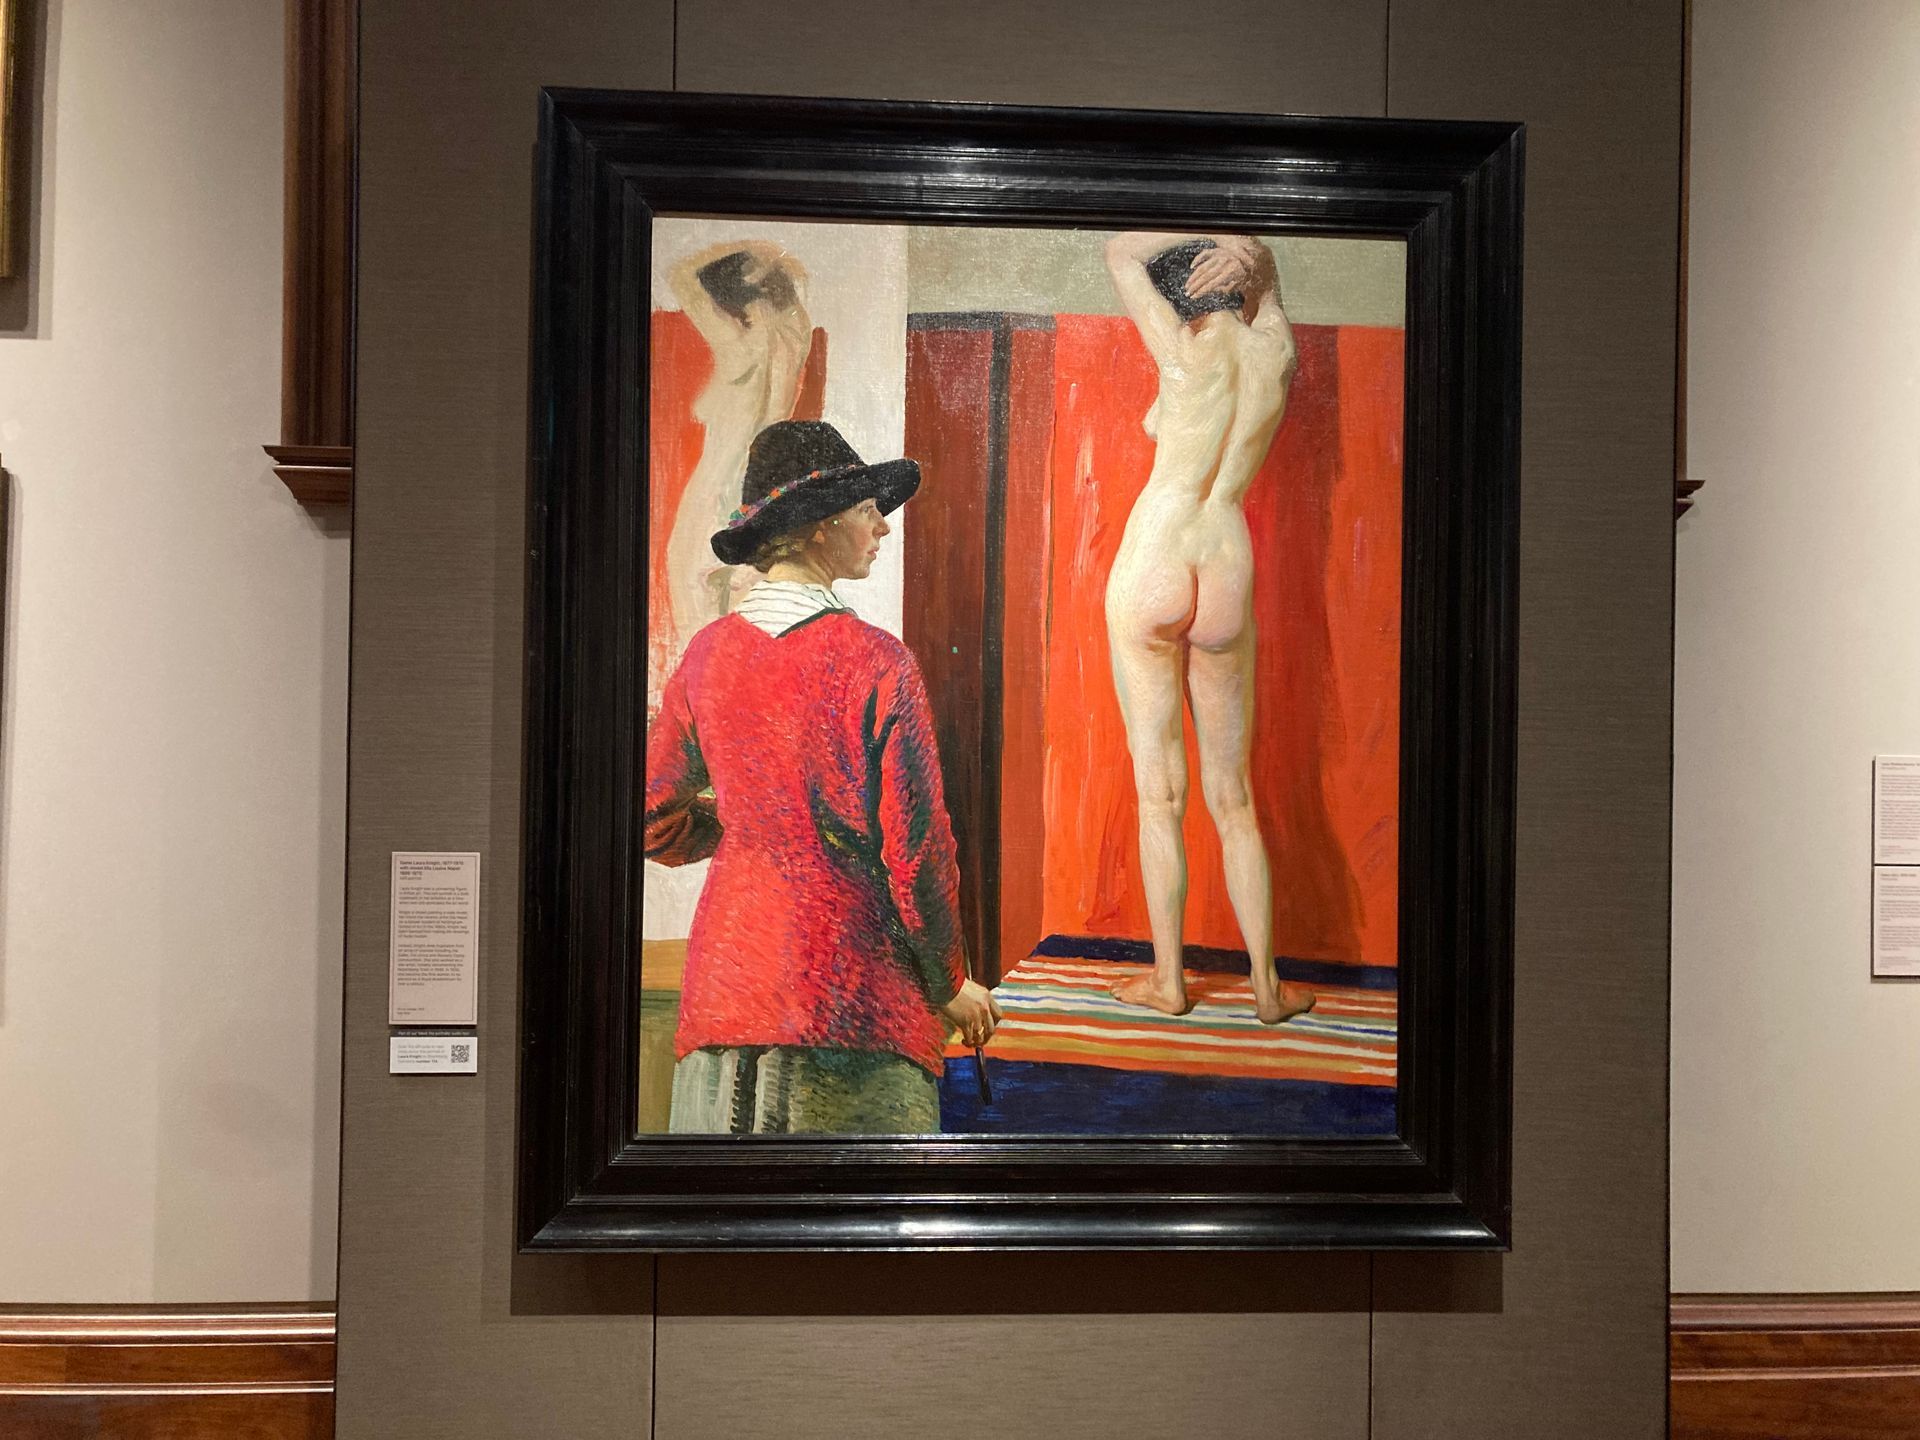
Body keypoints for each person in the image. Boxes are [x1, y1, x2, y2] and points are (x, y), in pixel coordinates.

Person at [645, 419, 1001, 1134]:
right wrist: (949, 985)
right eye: (869, 509)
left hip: (726, 997)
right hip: (854, 1009)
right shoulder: (878, 661)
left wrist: (756, 821)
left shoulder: (708, 655)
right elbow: (917, 856)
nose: (883, 527)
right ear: (817, 526)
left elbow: (649, 818)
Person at [1101, 231, 1316, 1026]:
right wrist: (1249, 254)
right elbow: (1270, 291)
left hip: (1156, 554)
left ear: (1179, 295)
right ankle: (1266, 988)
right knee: (1235, 797)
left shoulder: (1182, 350)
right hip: (1227, 557)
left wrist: (1218, 247)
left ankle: (1170, 982)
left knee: (1159, 795)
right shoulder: (1274, 354)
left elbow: (1119, 253)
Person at [658, 241, 816, 707]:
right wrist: (775, 265)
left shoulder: (740, 347)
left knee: (701, 648)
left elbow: (680, 276)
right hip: (758, 503)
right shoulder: (795, 337)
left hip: (711, 499)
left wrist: (754, 256)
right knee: (746, 652)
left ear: (735, 305)